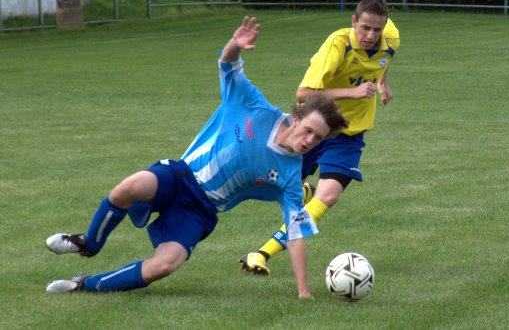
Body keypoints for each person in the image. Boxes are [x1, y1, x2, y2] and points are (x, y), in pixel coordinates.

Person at [45, 16, 348, 299]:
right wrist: (234, 43)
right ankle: (88, 244)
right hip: (180, 177)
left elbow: (294, 235)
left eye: (318, 138)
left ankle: (83, 284)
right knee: (128, 188)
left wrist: (303, 291)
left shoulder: (291, 177)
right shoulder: (256, 107)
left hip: (201, 210)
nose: (310, 141)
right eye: (308, 130)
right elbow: (229, 64)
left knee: (165, 264)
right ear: (296, 118)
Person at [239, 0, 400, 275]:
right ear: (353, 22)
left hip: (349, 132)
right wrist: (354, 92)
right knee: (270, 184)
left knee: (327, 198)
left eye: (377, 30)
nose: (371, 36)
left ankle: (262, 253)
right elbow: (303, 93)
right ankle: (301, 188)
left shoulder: (390, 37)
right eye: (365, 28)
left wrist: (382, 83)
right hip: (313, 127)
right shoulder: (337, 45)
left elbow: (383, 60)